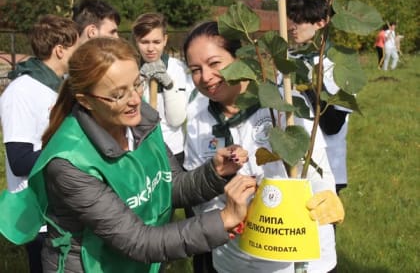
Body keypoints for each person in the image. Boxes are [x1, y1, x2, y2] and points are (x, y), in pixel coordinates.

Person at [0, 37, 257, 273]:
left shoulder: (138, 121)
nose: (135, 99)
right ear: (86, 101)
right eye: (118, 94)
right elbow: (140, 242)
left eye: (136, 84)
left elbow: (167, 187)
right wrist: (224, 220)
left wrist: (215, 172)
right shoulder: (69, 164)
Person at [183, 21, 345, 273]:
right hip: (233, 261)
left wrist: (327, 195)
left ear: (240, 59)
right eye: (195, 69)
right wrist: (229, 207)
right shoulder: (197, 122)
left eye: (214, 63)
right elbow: (197, 198)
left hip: (298, 259)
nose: (205, 77)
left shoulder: (284, 105)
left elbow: (317, 169)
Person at [0, 14, 79, 273]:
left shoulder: (60, 86)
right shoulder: (21, 91)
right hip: (39, 218)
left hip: (63, 206)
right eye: (75, 49)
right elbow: (19, 159)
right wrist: (75, 150)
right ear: (60, 50)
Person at [286, 0, 351, 196]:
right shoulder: (289, 60)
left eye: (299, 20)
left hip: (327, 169)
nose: (292, 26)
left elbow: (333, 124)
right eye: (291, 19)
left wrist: (309, 85)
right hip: (291, 167)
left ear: (321, 22)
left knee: (322, 229)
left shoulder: (340, 64)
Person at [132, 13, 191, 166]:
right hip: (140, 149)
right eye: (144, 42)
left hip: (171, 149)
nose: (151, 48)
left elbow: (176, 120)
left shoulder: (177, 68)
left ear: (165, 40)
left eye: (156, 41)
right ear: (136, 40)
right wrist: (139, 82)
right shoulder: (131, 68)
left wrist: (168, 84)